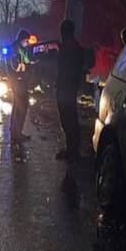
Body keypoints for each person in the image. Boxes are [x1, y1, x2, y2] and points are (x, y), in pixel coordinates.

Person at [54, 19, 86, 161]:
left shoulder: (67, 47)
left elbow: (63, 68)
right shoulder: (74, 46)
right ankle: (72, 148)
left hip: (65, 87)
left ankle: (72, 150)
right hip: (70, 86)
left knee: (67, 118)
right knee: (70, 117)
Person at [2, 29, 35, 159]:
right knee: (21, 106)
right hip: (18, 81)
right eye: (26, 40)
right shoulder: (16, 49)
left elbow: (25, 61)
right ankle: (17, 133)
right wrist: (27, 68)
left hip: (20, 80)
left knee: (18, 105)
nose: (28, 43)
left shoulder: (21, 48)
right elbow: (17, 66)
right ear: (22, 39)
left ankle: (15, 130)